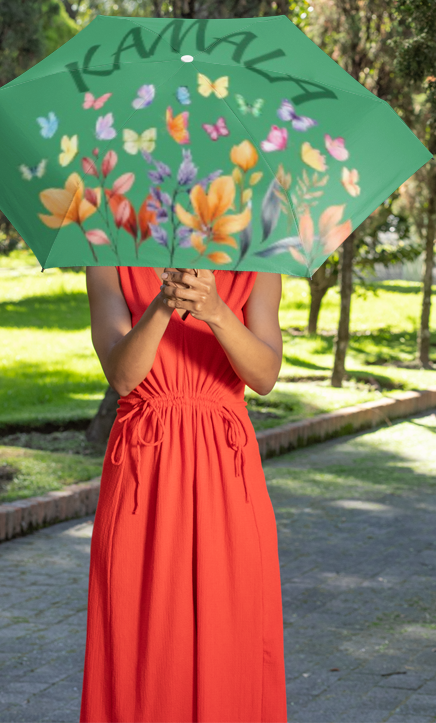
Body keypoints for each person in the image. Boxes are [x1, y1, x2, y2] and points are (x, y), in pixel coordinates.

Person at [80, 265, 287, 723]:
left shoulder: (260, 254)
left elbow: (265, 375)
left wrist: (215, 311)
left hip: (227, 470)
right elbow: (121, 375)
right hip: (143, 472)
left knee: (230, 634)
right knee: (142, 640)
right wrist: (162, 304)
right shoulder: (106, 251)